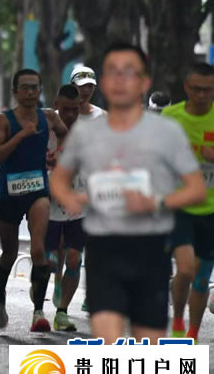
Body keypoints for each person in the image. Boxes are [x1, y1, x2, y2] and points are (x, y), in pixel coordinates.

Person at [51, 42, 205, 345]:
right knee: (108, 335)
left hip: (149, 247)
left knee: (147, 338)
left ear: (144, 84)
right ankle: (63, 305)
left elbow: (196, 187)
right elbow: (60, 177)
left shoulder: (167, 131)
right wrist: (75, 199)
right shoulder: (89, 130)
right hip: (105, 245)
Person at [0, 69, 69, 332]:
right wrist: (22, 135)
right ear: (15, 91)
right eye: (25, 87)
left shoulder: (48, 117)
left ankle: (38, 312)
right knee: (10, 253)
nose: (31, 92)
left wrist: (58, 154)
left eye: (35, 87)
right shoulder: (4, 120)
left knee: (38, 249)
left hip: (37, 191)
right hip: (8, 195)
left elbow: (65, 132)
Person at [162, 62, 214, 341]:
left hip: (211, 208)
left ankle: (192, 333)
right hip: (179, 205)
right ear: (186, 88)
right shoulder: (170, 117)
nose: (202, 95)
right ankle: (179, 320)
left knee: (202, 276)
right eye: (196, 89)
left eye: (208, 90)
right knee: (185, 268)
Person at [44, 84, 83, 331]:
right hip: (48, 203)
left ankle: (62, 312)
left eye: (75, 109)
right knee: (51, 258)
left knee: (74, 257)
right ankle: (42, 296)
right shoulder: (44, 126)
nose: (70, 114)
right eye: (65, 109)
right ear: (57, 104)